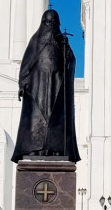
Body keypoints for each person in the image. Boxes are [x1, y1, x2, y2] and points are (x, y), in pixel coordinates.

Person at [11, 9, 80, 163]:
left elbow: (71, 62)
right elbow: (26, 63)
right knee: (36, 120)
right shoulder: (35, 41)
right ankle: (34, 149)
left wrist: (66, 50)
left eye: (53, 23)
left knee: (56, 119)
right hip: (37, 89)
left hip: (57, 89)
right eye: (48, 23)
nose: (51, 26)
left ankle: (56, 149)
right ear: (43, 23)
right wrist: (22, 83)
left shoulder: (61, 42)